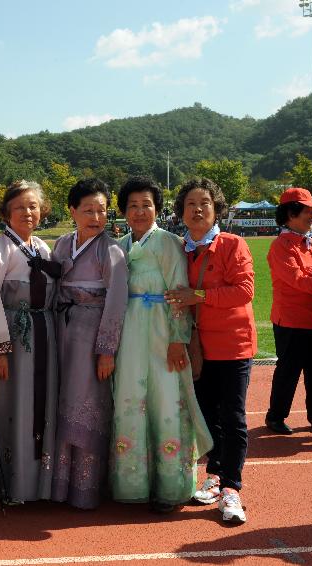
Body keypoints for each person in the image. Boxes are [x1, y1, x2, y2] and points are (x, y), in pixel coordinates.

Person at [111, 176, 212, 514]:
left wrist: (177, 339)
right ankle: (133, 483)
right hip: (129, 333)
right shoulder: (119, 245)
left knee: (167, 401)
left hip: (161, 331)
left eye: (147, 205)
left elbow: (180, 293)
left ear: (157, 208)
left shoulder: (169, 243)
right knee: (130, 400)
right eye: (133, 206)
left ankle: (171, 486)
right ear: (124, 211)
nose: (140, 211)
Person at [166, 177, 256, 524]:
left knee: (233, 418)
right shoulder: (180, 249)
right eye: (190, 203)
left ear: (216, 208)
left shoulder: (233, 244)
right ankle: (215, 475)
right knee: (206, 417)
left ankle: (232, 487)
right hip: (198, 346)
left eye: (205, 202)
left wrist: (199, 296)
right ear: (182, 212)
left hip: (233, 345)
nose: (198, 209)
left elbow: (244, 291)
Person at [0, 180, 60, 505]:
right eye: (20, 206)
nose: (28, 212)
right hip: (14, 337)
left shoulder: (43, 248)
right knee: (14, 405)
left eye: (33, 206)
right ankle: (11, 483)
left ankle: (41, 481)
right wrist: (0, 348)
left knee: (42, 405)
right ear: (7, 211)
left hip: (45, 335)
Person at [50, 179, 129, 510]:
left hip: (90, 336)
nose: (96, 216)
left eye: (101, 210)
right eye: (88, 210)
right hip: (60, 332)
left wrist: (106, 350)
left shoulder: (111, 250)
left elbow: (116, 302)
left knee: (87, 403)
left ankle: (84, 487)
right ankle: (57, 484)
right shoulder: (61, 244)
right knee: (59, 399)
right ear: (72, 211)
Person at [265, 188, 312, 436]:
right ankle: (276, 416)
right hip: (291, 321)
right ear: (291, 214)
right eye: (307, 211)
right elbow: (298, 280)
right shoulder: (281, 246)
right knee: (288, 372)